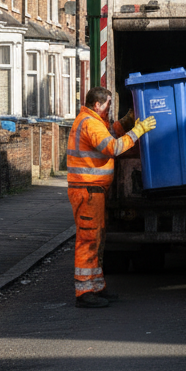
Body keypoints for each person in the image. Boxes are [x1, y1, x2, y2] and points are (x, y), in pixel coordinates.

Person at [66, 87, 156, 308]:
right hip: (87, 191)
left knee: (97, 239)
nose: (109, 109)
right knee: (88, 240)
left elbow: (109, 134)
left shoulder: (91, 120)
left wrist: (126, 122)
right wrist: (138, 131)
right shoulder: (90, 123)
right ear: (97, 105)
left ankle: (96, 286)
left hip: (91, 191)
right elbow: (112, 147)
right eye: (107, 105)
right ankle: (85, 292)